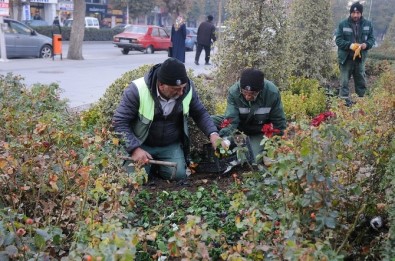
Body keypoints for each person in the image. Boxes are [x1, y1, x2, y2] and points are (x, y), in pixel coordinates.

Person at [113, 58, 226, 181]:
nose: (181, 92)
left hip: (170, 144)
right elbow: (119, 122)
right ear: (161, 84)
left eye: (183, 87)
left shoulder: (187, 89)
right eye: (176, 89)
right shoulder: (137, 90)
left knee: (179, 176)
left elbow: (200, 113)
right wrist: (134, 149)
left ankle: (155, 167)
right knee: (134, 180)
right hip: (142, 143)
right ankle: (149, 167)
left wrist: (213, 134)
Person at [212, 68, 287, 162]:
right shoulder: (234, 91)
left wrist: (277, 144)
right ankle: (235, 142)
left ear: (260, 90)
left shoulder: (272, 93)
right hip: (239, 126)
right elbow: (231, 120)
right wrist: (225, 139)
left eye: (252, 94)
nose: (248, 97)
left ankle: (242, 145)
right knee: (210, 121)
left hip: (259, 130)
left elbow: (279, 121)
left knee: (254, 158)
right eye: (244, 92)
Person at [335, 1, 375, 106]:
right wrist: (350, 45)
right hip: (346, 58)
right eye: (353, 13)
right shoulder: (342, 24)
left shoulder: (368, 24)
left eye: (358, 13)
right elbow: (338, 40)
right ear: (350, 13)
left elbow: (372, 39)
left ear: (361, 13)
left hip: (360, 59)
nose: (356, 15)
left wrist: (366, 45)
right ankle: (344, 104)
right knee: (344, 82)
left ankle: (361, 103)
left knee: (361, 81)